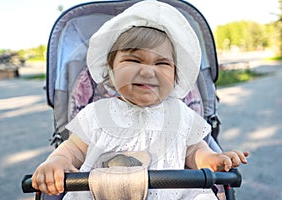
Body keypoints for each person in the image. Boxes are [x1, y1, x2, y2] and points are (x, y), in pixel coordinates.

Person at [32, 1, 249, 199]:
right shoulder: (95, 113)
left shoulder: (181, 114)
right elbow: (72, 149)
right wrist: (57, 161)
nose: (147, 72)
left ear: (175, 75)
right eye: (133, 59)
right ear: (111, 70)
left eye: (162, 63)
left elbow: (194, 152)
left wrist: (211, 160)